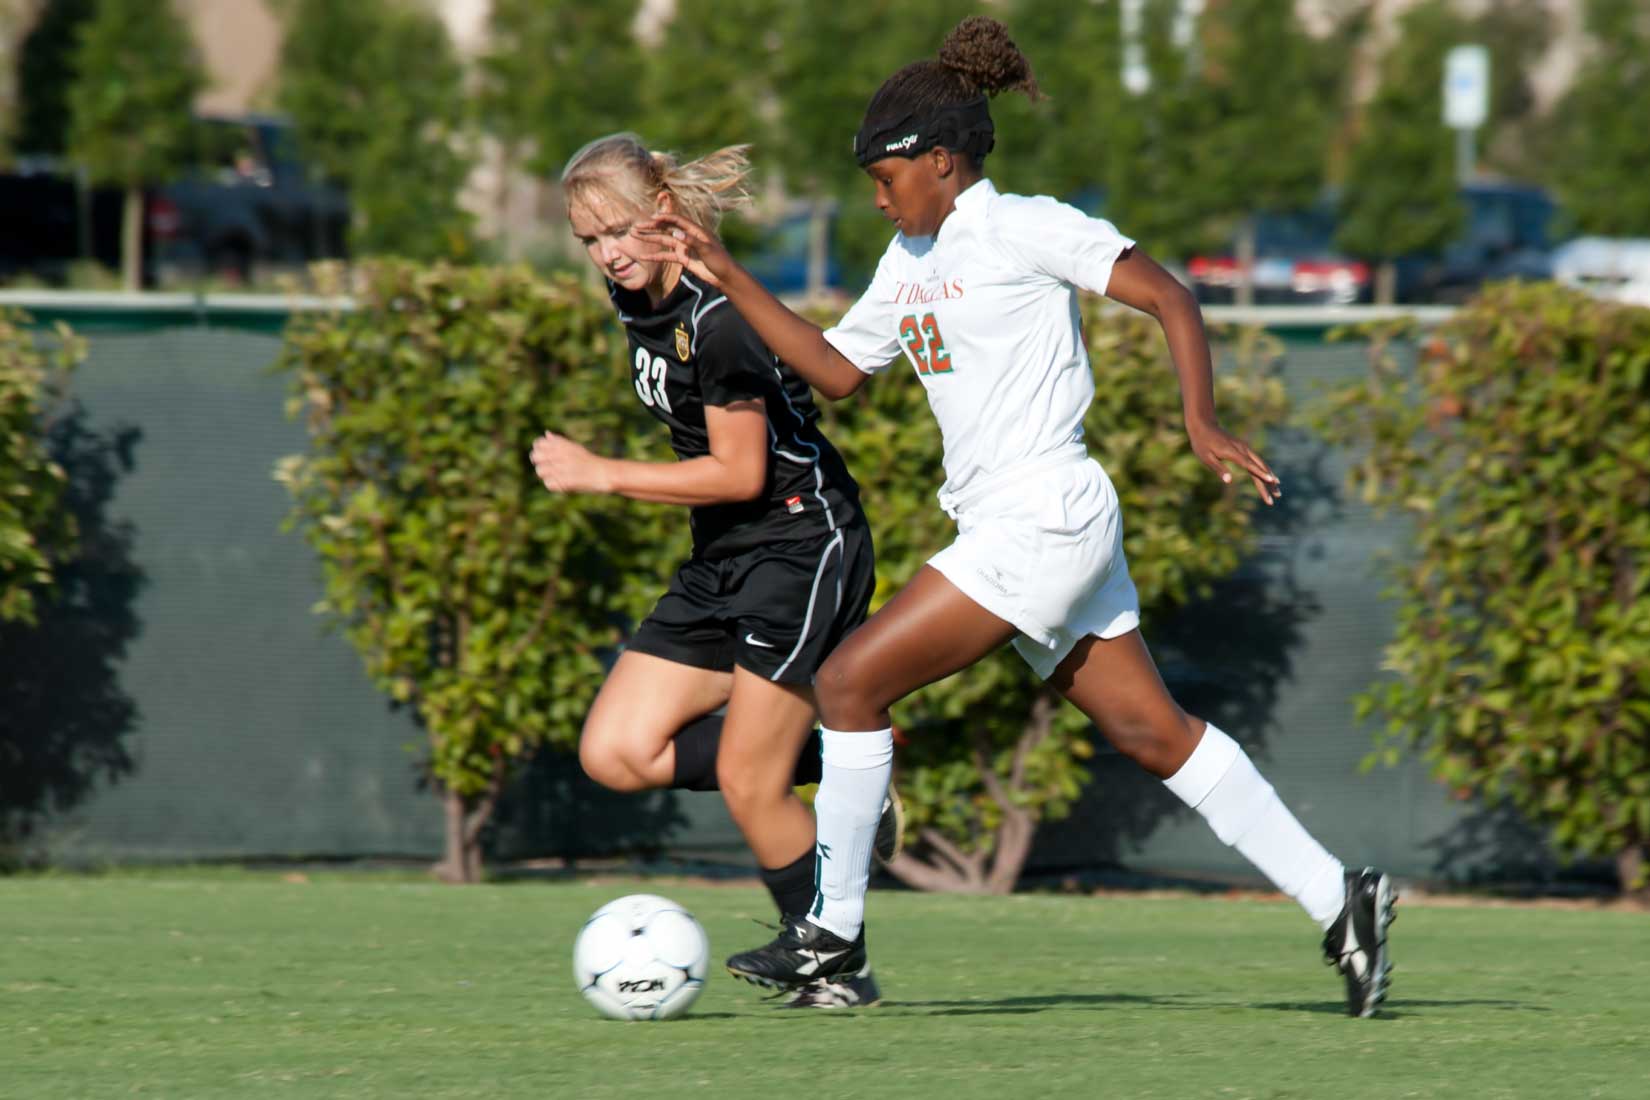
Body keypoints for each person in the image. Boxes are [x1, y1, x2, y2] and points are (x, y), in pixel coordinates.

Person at [636, 17, 1396, 1018]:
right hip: (1020, 526)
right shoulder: (909, 257)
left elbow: (1169, 295)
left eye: (888, 175)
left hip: (1044, 513)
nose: (879, 196)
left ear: (942, 161)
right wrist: (731, 275)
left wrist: (1200, 419)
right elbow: (837, 370)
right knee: (1154, 732)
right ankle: (1342, 897)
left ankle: (832, 934)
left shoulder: (1022, 225)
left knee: (851, 681)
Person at [532, 134, 897, 1008]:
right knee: (616, 751)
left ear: (660, 212)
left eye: (618, 229)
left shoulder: (718, 317)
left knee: (747, 780)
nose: (607, 253)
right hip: (724, 557)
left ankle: (834, 971)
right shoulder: (637, 293)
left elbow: (740, 472)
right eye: (589, 239)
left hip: (801, 548)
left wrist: (602, 473)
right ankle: (844, 763)